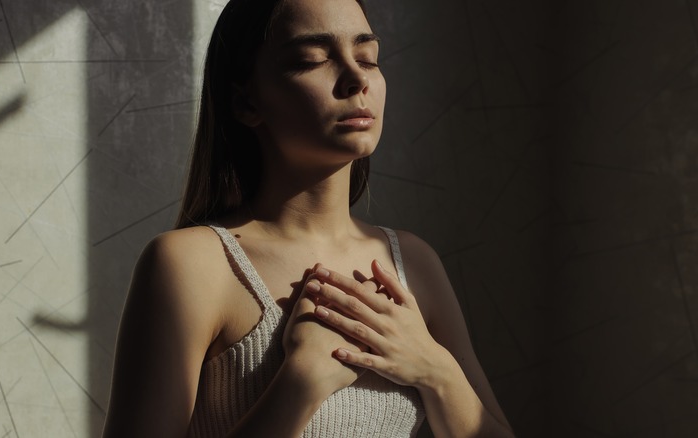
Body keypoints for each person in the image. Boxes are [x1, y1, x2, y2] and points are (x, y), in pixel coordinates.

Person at [102, 0, 515, 436]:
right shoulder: (190, 265)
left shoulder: (413, 262)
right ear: (246, 101)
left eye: (368, 57)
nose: (357, 79)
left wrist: (438, 372)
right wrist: (300, 383)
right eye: (312, 60)